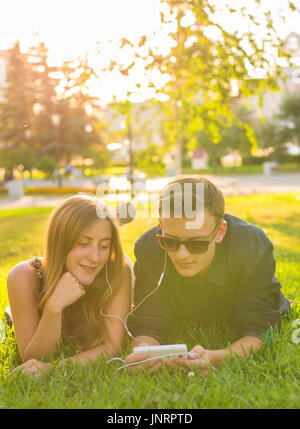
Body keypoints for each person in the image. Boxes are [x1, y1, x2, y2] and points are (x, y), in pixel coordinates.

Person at [125, 175, 291, 373]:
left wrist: (219, 357)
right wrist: (142, 352)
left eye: (197, 244)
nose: (181, 254)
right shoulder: (149, 248)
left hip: (241, 307)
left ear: (220, 231)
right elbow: (147, 324)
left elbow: (264, 333)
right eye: (170, 241)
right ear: (161, 226)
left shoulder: (252, 247)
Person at [6, 194, 132, 376]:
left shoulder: (117, 272)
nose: (95, 258)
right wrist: (53, 307)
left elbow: (112, 347)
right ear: (61, 242)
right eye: (83, 243)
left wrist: (53, 369)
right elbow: (33, 358)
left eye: (104, 246)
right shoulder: (24, 276)